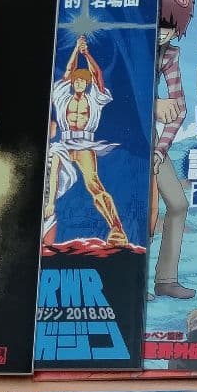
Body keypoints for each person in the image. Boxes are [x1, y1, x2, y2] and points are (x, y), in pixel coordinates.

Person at [44, 35, 128, 246]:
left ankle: (117, 230)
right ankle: (45, 222)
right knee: (49, 179)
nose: (79, 82)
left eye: (83, 80)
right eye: (77, 80)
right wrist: (75, 50)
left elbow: (98, 75)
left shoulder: (94, 99)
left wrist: (86, 53)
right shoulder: (62, 97)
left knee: (93, 184)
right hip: (64, 145)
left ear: (87, 83)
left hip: (84, 145)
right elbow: (67, 71)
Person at [151, 0, 196, 298]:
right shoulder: (125, 46)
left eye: (170, 27)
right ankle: (132, 280)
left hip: (151, 142)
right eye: (159, 25)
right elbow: (109, 95)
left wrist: (159, 151)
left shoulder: (168, 54)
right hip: (116, 140)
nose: (163, 33)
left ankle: (165, 279)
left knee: (178, 204)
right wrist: (153, 105)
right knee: (140, 209)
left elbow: (179, 108)